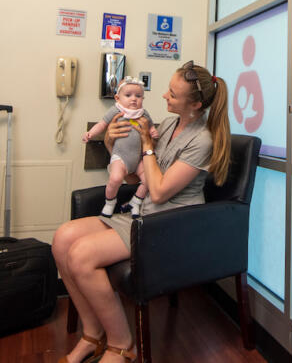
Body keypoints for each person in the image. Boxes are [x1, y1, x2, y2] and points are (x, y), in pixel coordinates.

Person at [52, 61, 231, 363]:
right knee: (62, 239)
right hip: (144, 214)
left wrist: (148, 144)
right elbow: (139, 178)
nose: (163, 96)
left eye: (172, 94)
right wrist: (112, 143)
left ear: (196, 104)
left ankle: (122, 345)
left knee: (81, 255)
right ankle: (93, 334)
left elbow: (160, 190)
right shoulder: (172, 124)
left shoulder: (202, 141)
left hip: (170, 225)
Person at [83, 76, 159, 218]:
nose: (134, 99)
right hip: (121, 157)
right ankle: (110, 203)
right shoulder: (117, 111)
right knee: (115, 179)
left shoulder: (143, 113)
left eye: (138, 96)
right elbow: (102, 124)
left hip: (138, 160)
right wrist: (90, 134)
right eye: (128, 95)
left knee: (149, 180)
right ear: (118, 98)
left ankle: (136, 202)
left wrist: (153, 131)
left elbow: (150, 126)